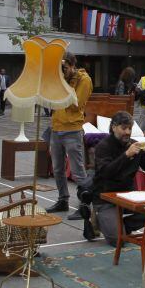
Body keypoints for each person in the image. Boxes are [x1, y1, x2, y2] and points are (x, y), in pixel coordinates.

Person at [85, 112, 145, 245]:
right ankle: (102, 219)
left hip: (128, 196)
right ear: (114, 127)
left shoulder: (135, 145)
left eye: (130, 128)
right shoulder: (103, 146)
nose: (127, 132)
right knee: (118, 241)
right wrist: (126, 155)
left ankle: (122, 225)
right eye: (124, 128)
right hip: (105, 197)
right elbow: (106, 173)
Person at [47, 51, 94, 216]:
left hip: (72, 130)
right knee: (58, 169)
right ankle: (62, 200)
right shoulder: (61, 79)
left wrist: (61, 85)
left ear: (73, 66)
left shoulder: (84, 80)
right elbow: (51, 100)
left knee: (77, 170)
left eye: (64, 68)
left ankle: (85, 206)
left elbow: (76, 104)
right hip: (56, 128)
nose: (62, 72)